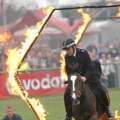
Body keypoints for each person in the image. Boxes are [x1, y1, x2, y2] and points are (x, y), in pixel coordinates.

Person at [62, 38, 114, 120]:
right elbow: (69, 70)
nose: (67, 51)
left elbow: (90, 67)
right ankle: (68, 114)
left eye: (68, 49)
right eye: (65, 50)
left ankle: (107, 108)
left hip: (89, 76)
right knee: (66, 94)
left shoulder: (83, 53)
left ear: (74, 47)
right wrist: (71, 79)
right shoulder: (66, 57)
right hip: (76, 79)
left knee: (101, 89)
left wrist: (85, 77)